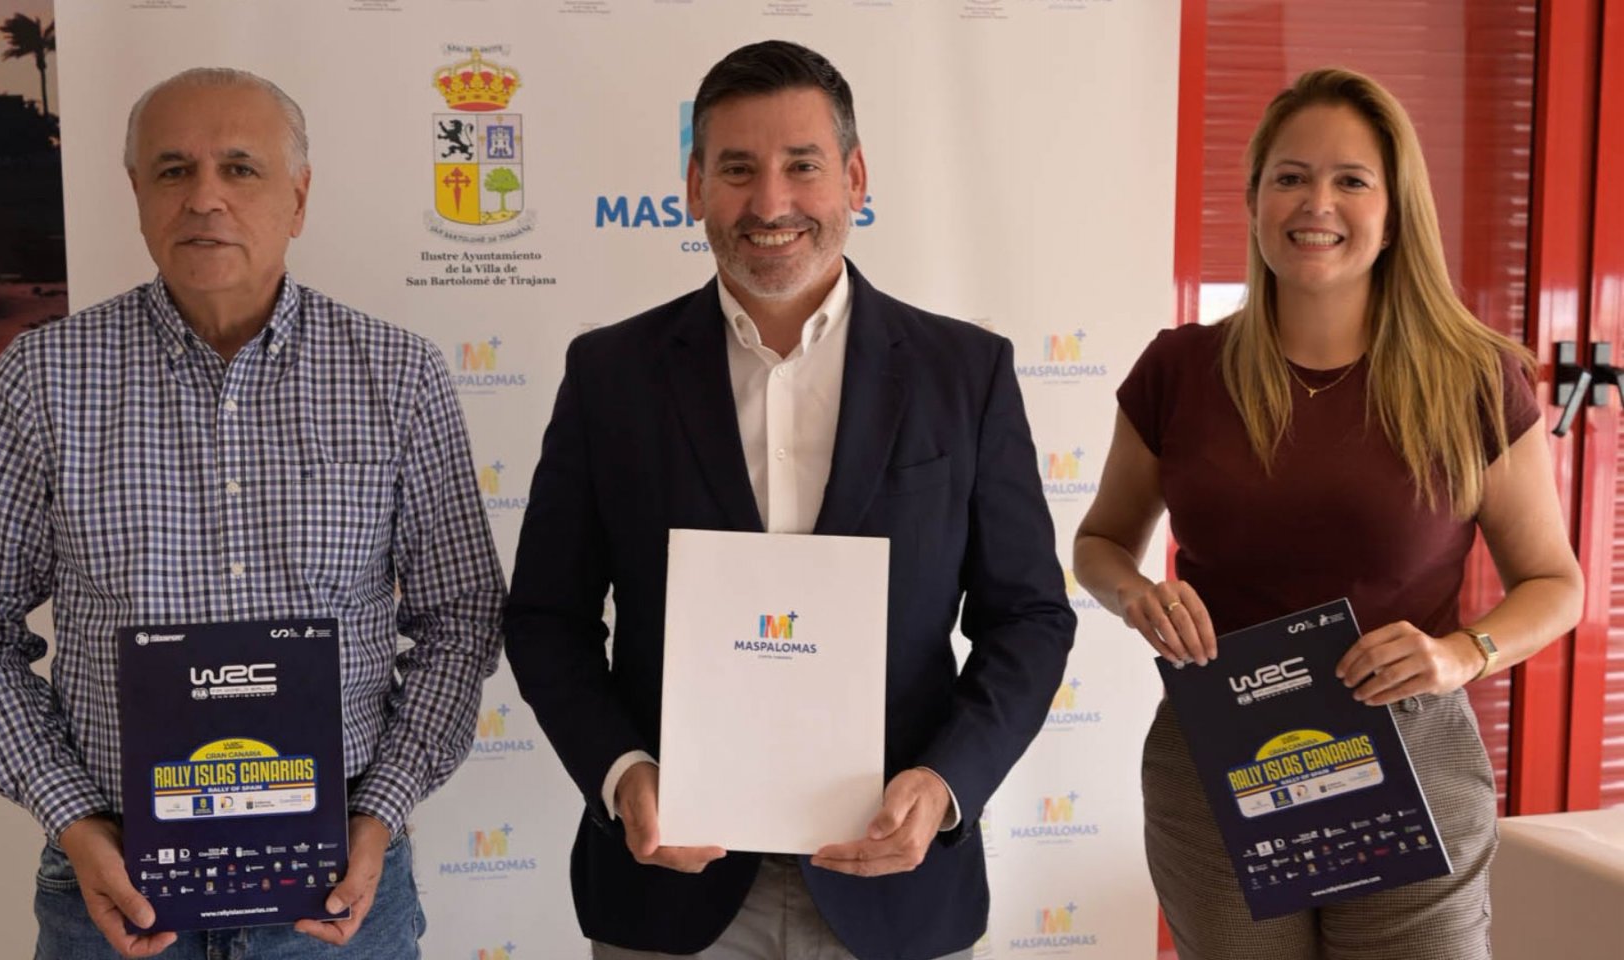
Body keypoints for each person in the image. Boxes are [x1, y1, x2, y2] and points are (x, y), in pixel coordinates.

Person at [503, 39, 1075, 960]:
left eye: (802, 166)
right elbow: (545, 617)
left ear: (854, 177)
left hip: (896, 891)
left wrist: (945, 783)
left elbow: (1030, 618)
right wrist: (620, 773)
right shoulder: (611, 375)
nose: (770, 204)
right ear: (694, 186)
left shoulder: (963, 374)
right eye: (737, 169)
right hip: (667, 892)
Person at [0, 67, 505, 959]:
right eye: (173, 171)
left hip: (339, 886)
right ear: (136, 195)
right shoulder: (40, 379)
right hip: (112, 883)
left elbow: (460, 617)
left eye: (240, 168)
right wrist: (70, 815)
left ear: (297, 198)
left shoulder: (398, 377)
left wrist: (382, 810)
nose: (204, 198)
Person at [1072, 68, 1583, 959]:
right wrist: (1134, 594)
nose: (1317, 203)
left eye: (1351, 179)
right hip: (1220, 757)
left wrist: (1461, 653)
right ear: (1254, 200)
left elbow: (1554, 583)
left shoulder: (1472, 378)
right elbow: (1100, 541)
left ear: (1394, 212)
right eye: (1290, 176)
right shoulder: (1179, 371)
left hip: (1411, 751)